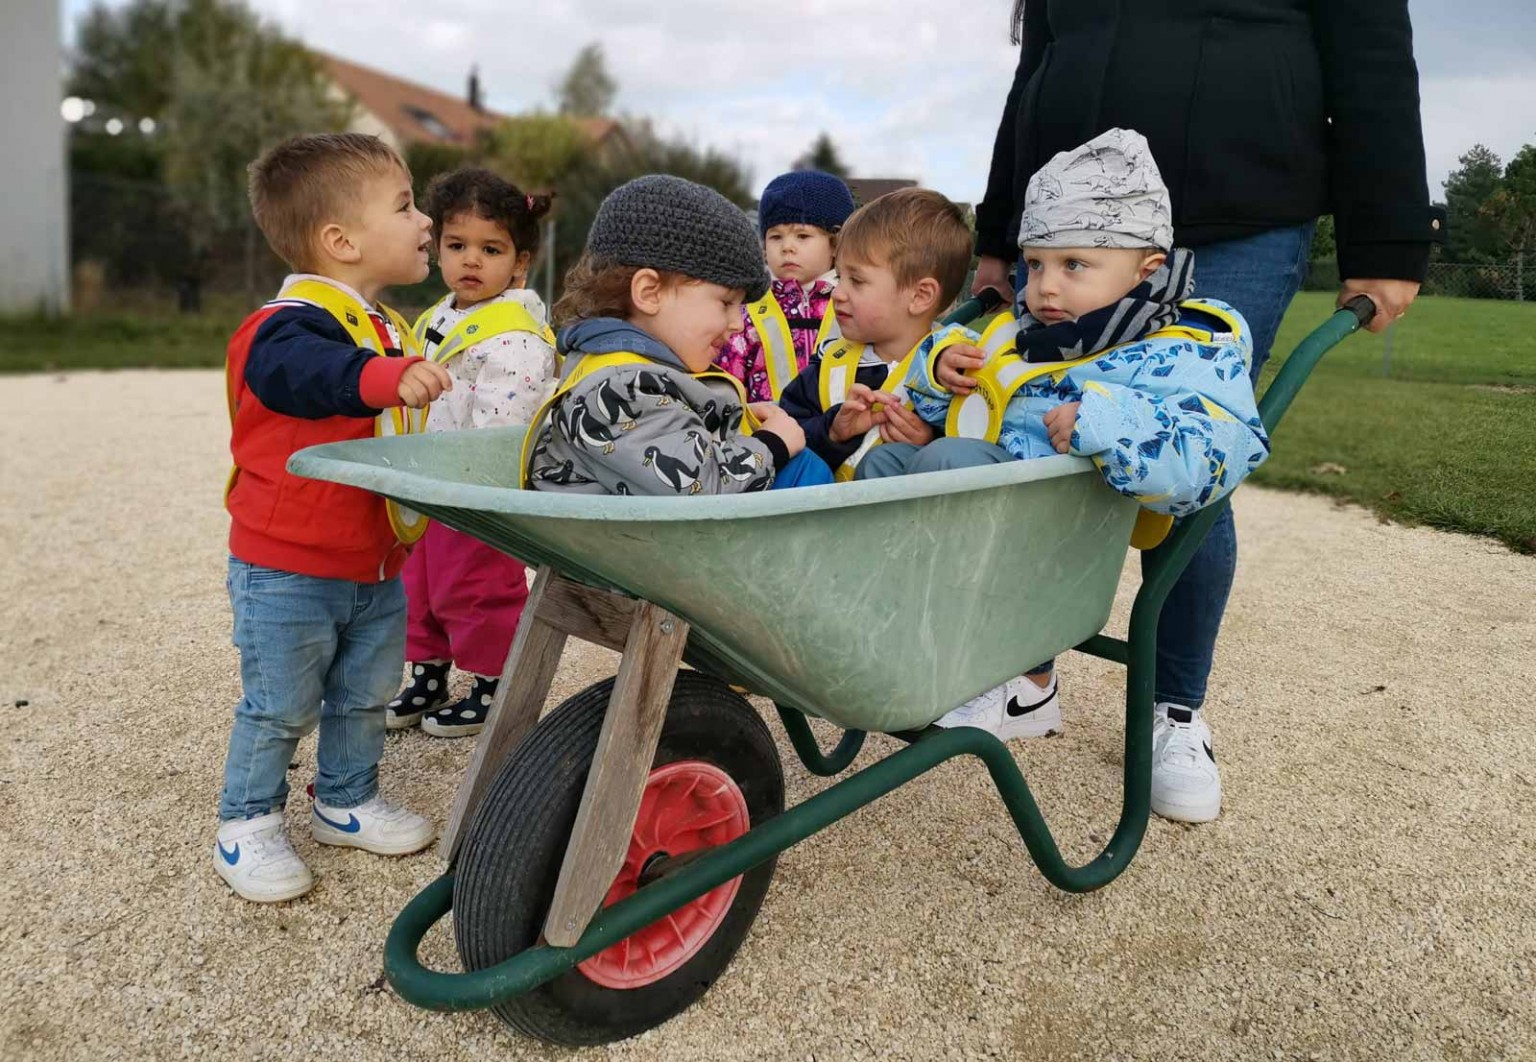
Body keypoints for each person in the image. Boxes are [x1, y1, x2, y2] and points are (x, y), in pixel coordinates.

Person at [971, 0, 1444, 821]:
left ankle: (1174, 707)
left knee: (1190, 447)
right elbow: (1036, 65)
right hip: (1068, 224)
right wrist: (999, 228)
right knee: (1031, 434)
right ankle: (1028, 675)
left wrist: (1390, 238)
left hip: (1235, 211)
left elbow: (1370, 48)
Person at [215, 133, 448, 903]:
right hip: (286, 567)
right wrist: (385, 378)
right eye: (406, 205)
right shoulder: (283, 326)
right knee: (280, 702)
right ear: (341, 242)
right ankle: (246, 823)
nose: (425, 222)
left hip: (373, 563)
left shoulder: (383, 325)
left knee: (364, 692)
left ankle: (344, 799)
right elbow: (301, 379)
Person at [525, 174, 834, 496]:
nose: (738, 323)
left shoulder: (632, 374)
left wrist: (725, 422)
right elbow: (698, 487)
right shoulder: (616, 389)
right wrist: (772, 445)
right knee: (802, 467)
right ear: (650, 293)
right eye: (726, 303)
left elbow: (662, 434)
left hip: (648, 540)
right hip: (622, 545)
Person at [386, 169, 559, 739]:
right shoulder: (440, 315)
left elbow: (502, 419)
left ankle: (492, 683)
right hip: (430, 479)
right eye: (457, 246)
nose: (471, 261)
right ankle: (428, 673)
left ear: (520, 263)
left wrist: (477, 482)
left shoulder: (516, 334)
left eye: (491, 249)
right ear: (437, 249)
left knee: (478, 588)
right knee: (420, 585)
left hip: (474, 485)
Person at [776, 187, 979, 481]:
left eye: (856, 281)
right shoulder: (826, 366)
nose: (838, 293)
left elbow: (978, 444)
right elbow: (784, 438)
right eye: (838, 277)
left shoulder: (954, 372)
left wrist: (927, 443)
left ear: (920, 296)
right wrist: (832, 431)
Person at [713, 170, 856, 402]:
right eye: (775, 237)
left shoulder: (856, 301)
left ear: (835, 244)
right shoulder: (747, 310)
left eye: (802, 236)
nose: (786, 247)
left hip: (843, 431)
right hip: (767, 432)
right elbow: (727, 378)